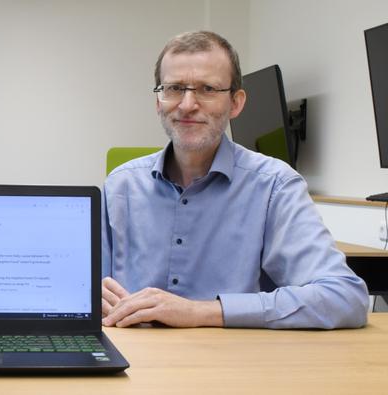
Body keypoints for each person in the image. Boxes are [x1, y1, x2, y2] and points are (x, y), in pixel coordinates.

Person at [101, 31, 369, 329]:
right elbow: (80, 287)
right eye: (174, 88)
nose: (187, 104)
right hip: (134, 365)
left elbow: (343, 297)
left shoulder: (274, 185)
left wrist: (200, 312)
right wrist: (86, 295)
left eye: (207, 89)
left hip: (233, 367)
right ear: (158, 101)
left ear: (236, 103)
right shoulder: (119, 186)